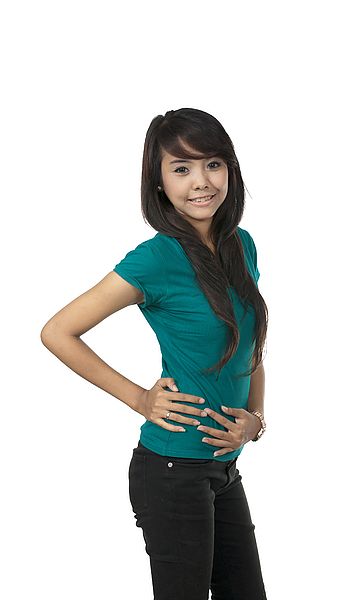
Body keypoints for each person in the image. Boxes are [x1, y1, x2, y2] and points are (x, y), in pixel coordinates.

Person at [40, 108, 269, 599]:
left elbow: (251, 348)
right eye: (181, 169)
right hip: (171, 472)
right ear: (159, 183)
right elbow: (58, 331)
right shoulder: (156, 258)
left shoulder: (240, 246)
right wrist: (140, 399)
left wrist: (256, 418)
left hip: (223, 469)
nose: (201, 182)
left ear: (230, 168)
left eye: (212, 164)